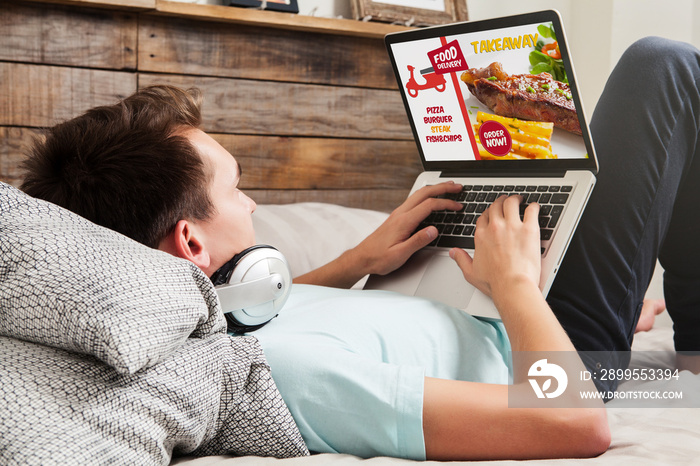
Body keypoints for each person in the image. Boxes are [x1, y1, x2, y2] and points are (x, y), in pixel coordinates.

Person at [18, 36, 700, 460]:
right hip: (555, 351)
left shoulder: (210, 321)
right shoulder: (289, 374)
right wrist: (519, 286)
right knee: (663, 69)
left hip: (499, 301)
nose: (254, 205)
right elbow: (575, 427)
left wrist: (362, 260)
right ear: (191, 240)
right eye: (238, 190)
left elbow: (269, 314)